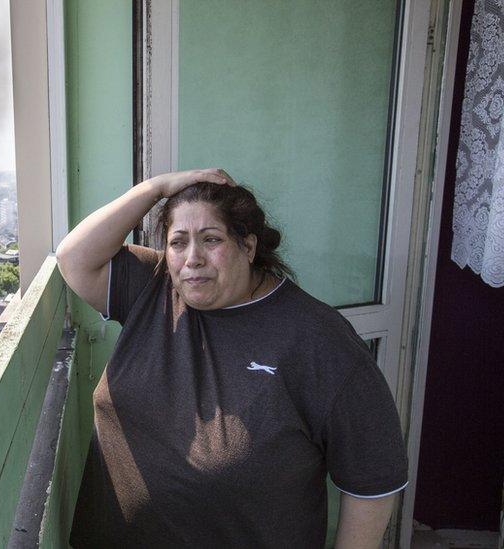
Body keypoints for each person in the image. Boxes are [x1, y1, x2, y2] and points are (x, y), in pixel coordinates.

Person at [57, 169, 407, 548]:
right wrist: (154, 188)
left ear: (249, 246)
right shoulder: (153, 288)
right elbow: (73, 258)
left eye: (211, 240)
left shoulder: (317, 338)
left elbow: (374, 476)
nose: (193, 259)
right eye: (178, 242)